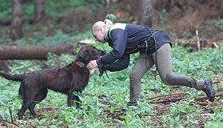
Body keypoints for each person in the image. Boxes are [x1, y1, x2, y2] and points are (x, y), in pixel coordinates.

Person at [87, 19, 215, 106]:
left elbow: (117, 53)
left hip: (159, 44)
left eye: (95, 35)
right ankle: (134, 105)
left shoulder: (116, 30)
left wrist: (98, 62)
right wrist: (105, 66)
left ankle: (203, 84)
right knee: (135, 75)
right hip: (148, 51)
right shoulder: (115, 37)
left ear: (101, 30)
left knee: (167, 78)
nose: (95, 39)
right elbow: (123, 62)